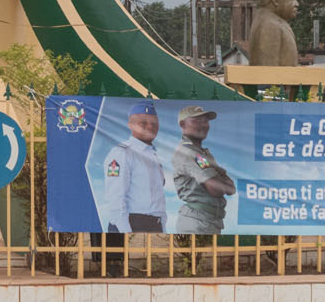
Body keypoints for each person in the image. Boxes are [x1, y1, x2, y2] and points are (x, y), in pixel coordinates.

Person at [100, 100, 166, 234]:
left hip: (154, 225)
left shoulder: (153, 156)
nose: (150, 127)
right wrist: (127, 232)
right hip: (130, 224)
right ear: (130, 125)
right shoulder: (122, 153)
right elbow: (116, 198)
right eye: (143, 123)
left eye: (154, 123)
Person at [170, 105, 234, 235]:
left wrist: (222, 182)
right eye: (196, 121)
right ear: (182, 124)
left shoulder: (203, 153)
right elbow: (216, 189)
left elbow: (231, 188)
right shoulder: (188, 152)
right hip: (197, 222)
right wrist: (221, 181)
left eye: (205, 121)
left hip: (209, 220)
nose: (203, 125)